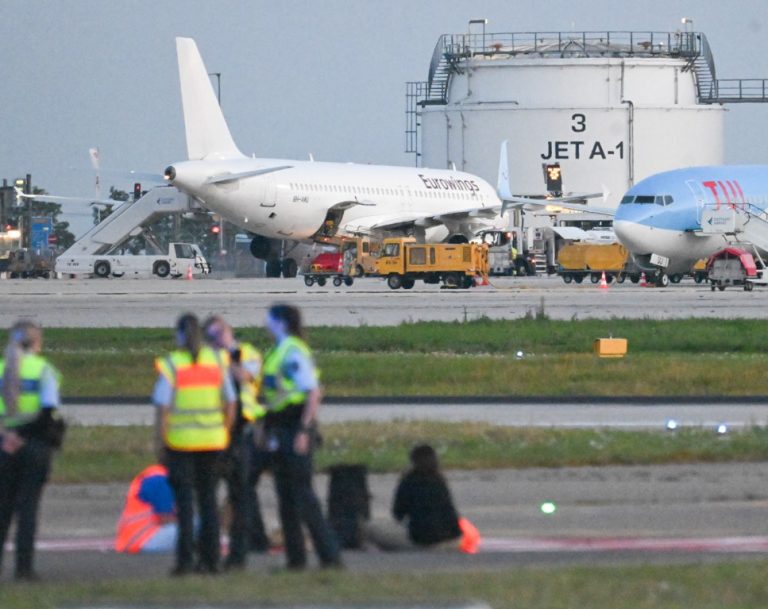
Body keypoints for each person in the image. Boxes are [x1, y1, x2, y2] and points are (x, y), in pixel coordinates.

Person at [153, 313, 236, 576]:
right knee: (209, 502)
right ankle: (212, 562)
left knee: (185, 506)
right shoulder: (217, 361)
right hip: (212, 442)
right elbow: (231, 403)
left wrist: (160, 441)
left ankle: (185, 561)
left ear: (179, 335)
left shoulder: (173, 364)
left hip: (180, 444)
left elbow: (163, 408)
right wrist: (224, 430)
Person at [260, 304, 341, 570]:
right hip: (278, 427)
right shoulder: (277, 350)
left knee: (303, 495)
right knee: (285, 497)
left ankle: (330, 556)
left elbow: (313, 392)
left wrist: (304, 431)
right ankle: (296, 559)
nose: (265, 323)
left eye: (270, 319)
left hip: (294, 427)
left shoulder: (292, 351)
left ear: (281, 322)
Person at [203, 316, 269, 568]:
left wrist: (223, 360)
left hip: (246, 428)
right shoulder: (209, 357)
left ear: (230, 332)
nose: (217, 338)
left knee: (243, 487)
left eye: (220, 333)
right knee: (239, 489)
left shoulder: (246, 353)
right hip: (217, 430)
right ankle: (253, 538)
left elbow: (246, 376)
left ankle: (252, 540)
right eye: (212, 335)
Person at [0, 321, 63, 581]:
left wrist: (9, 435)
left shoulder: (3, 369)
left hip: (4, 446)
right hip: (34, 445)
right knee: (28, 509)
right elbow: (48, 413)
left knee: (3, 509)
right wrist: (25, 436)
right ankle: (24, 570)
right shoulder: (42, 370)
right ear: (36, 342)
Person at [366, 444, 471, 552]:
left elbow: (398, 515)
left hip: (424, 543)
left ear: (413, 461)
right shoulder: (440, 480)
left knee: (369, 529)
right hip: (454, 541)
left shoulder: (409, 481)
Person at [115, 464, 178, 554]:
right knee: (199, 524)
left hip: (134, 540)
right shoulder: (159, 479)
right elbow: (166, 519)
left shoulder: (155, 475)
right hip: (144, 540)